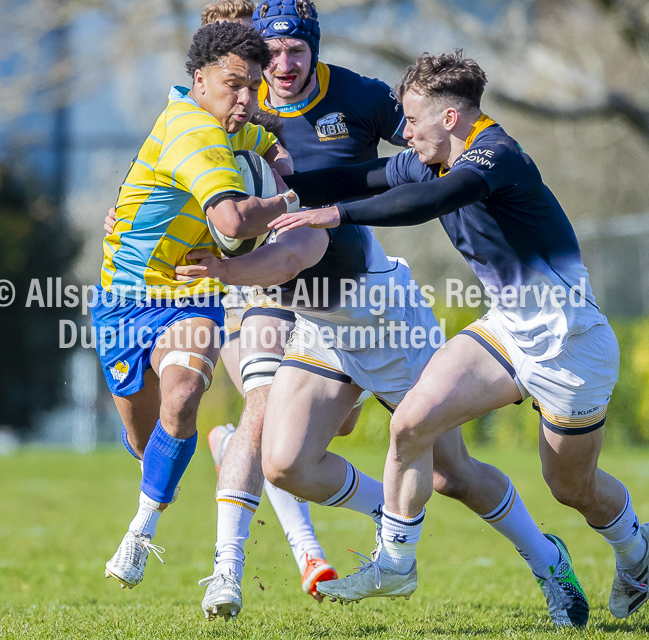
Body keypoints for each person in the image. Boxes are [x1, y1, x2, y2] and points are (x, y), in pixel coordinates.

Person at [270, 50, 648, 624]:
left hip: (571, 346)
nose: (406, 133)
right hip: (505, 332)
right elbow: (362, 177)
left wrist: (337, 216)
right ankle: (396, 562)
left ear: (448, 119)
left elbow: (430, 203)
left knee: (573, 487)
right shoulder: (431, 159)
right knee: (410, 422)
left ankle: (637, 557)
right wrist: (278, 189)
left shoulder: (495, 156)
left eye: (413, 120)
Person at [106, 0, 406, 606]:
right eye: (238, 68)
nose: (255, 82)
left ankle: (251, 544)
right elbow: (224, 212)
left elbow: (421, 148)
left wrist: (294, 179)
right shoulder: (200, 117)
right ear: (204, 65)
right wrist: (289, 200)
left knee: (291, 423)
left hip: (271, 285)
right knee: (197, 431)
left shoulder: (313, 98)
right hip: (191, 285)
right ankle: (243, 547)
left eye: (261, 62)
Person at [94, 20, 299, 591]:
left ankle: (141, 529)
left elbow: (269, 139)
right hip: (124, 299)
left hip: (192, 293)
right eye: (234, 85)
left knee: (183, 400)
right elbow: (232, 221)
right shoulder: (194, 131)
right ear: (199, 78)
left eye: (253, 87)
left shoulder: (227, 121)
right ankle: (162, 481)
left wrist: (279, 153)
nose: (246, 100)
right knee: (145, 440)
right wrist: (287, 200)